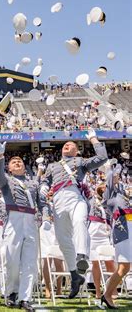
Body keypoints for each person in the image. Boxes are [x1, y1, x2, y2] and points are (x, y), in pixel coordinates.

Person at [40, 129, 107, 298]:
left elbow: (102, 158)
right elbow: (45, 181)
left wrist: (93, 139)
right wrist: (44, 188)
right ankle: (75, 275)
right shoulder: (52, 166)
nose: (67, 145)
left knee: (79, 222)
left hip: (75, 196)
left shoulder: (81, 161)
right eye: (65, 144)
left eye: (71, 145)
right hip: (58, 201)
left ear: (77, 151)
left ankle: (82, 256)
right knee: (63, 240)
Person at [0, 141, 42, 312]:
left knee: (29, 262)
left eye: (20, 161)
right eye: (13, 162)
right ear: (10, 168)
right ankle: (12, 291)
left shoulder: (34, 183)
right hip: (13, 218)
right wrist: (0, 156)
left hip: (30, 219)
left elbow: (40, 202)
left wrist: (43, 215)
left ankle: (25, 298)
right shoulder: (7, 180)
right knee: (12, 259)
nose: (17, 162)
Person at [101, 167, 131, 309]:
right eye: (113, 176)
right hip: (122, 228)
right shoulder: (109, 194)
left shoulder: (123, 193)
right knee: (124, 267)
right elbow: (111, 178)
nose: (116, 177)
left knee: (124, 268)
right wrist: (112, 168)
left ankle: (106, 295)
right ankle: (107, 295)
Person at [88, 183, 115, 301]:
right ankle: (98, 291)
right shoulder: (91, 199)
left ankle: (112, 290)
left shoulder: (110, 200)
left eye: (106, 187)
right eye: (102, 187)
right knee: (95, 263)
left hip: (105, 231)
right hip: (93, 230)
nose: (103, 189)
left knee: (109, 262)